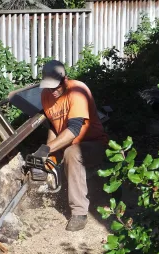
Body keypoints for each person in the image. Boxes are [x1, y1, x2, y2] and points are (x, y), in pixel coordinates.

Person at [32, 60, 108, 232]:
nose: (52, 91)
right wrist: (48, 153)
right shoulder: (46, 95)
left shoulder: (78, 91)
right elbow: (54, 125)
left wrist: (47, 149)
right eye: (49, 87)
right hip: (67, 142)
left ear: (65, 80)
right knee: (45, 160)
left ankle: (79, 212)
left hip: (93, 143)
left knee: (72, 152)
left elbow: (73, 130)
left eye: (55, 87)